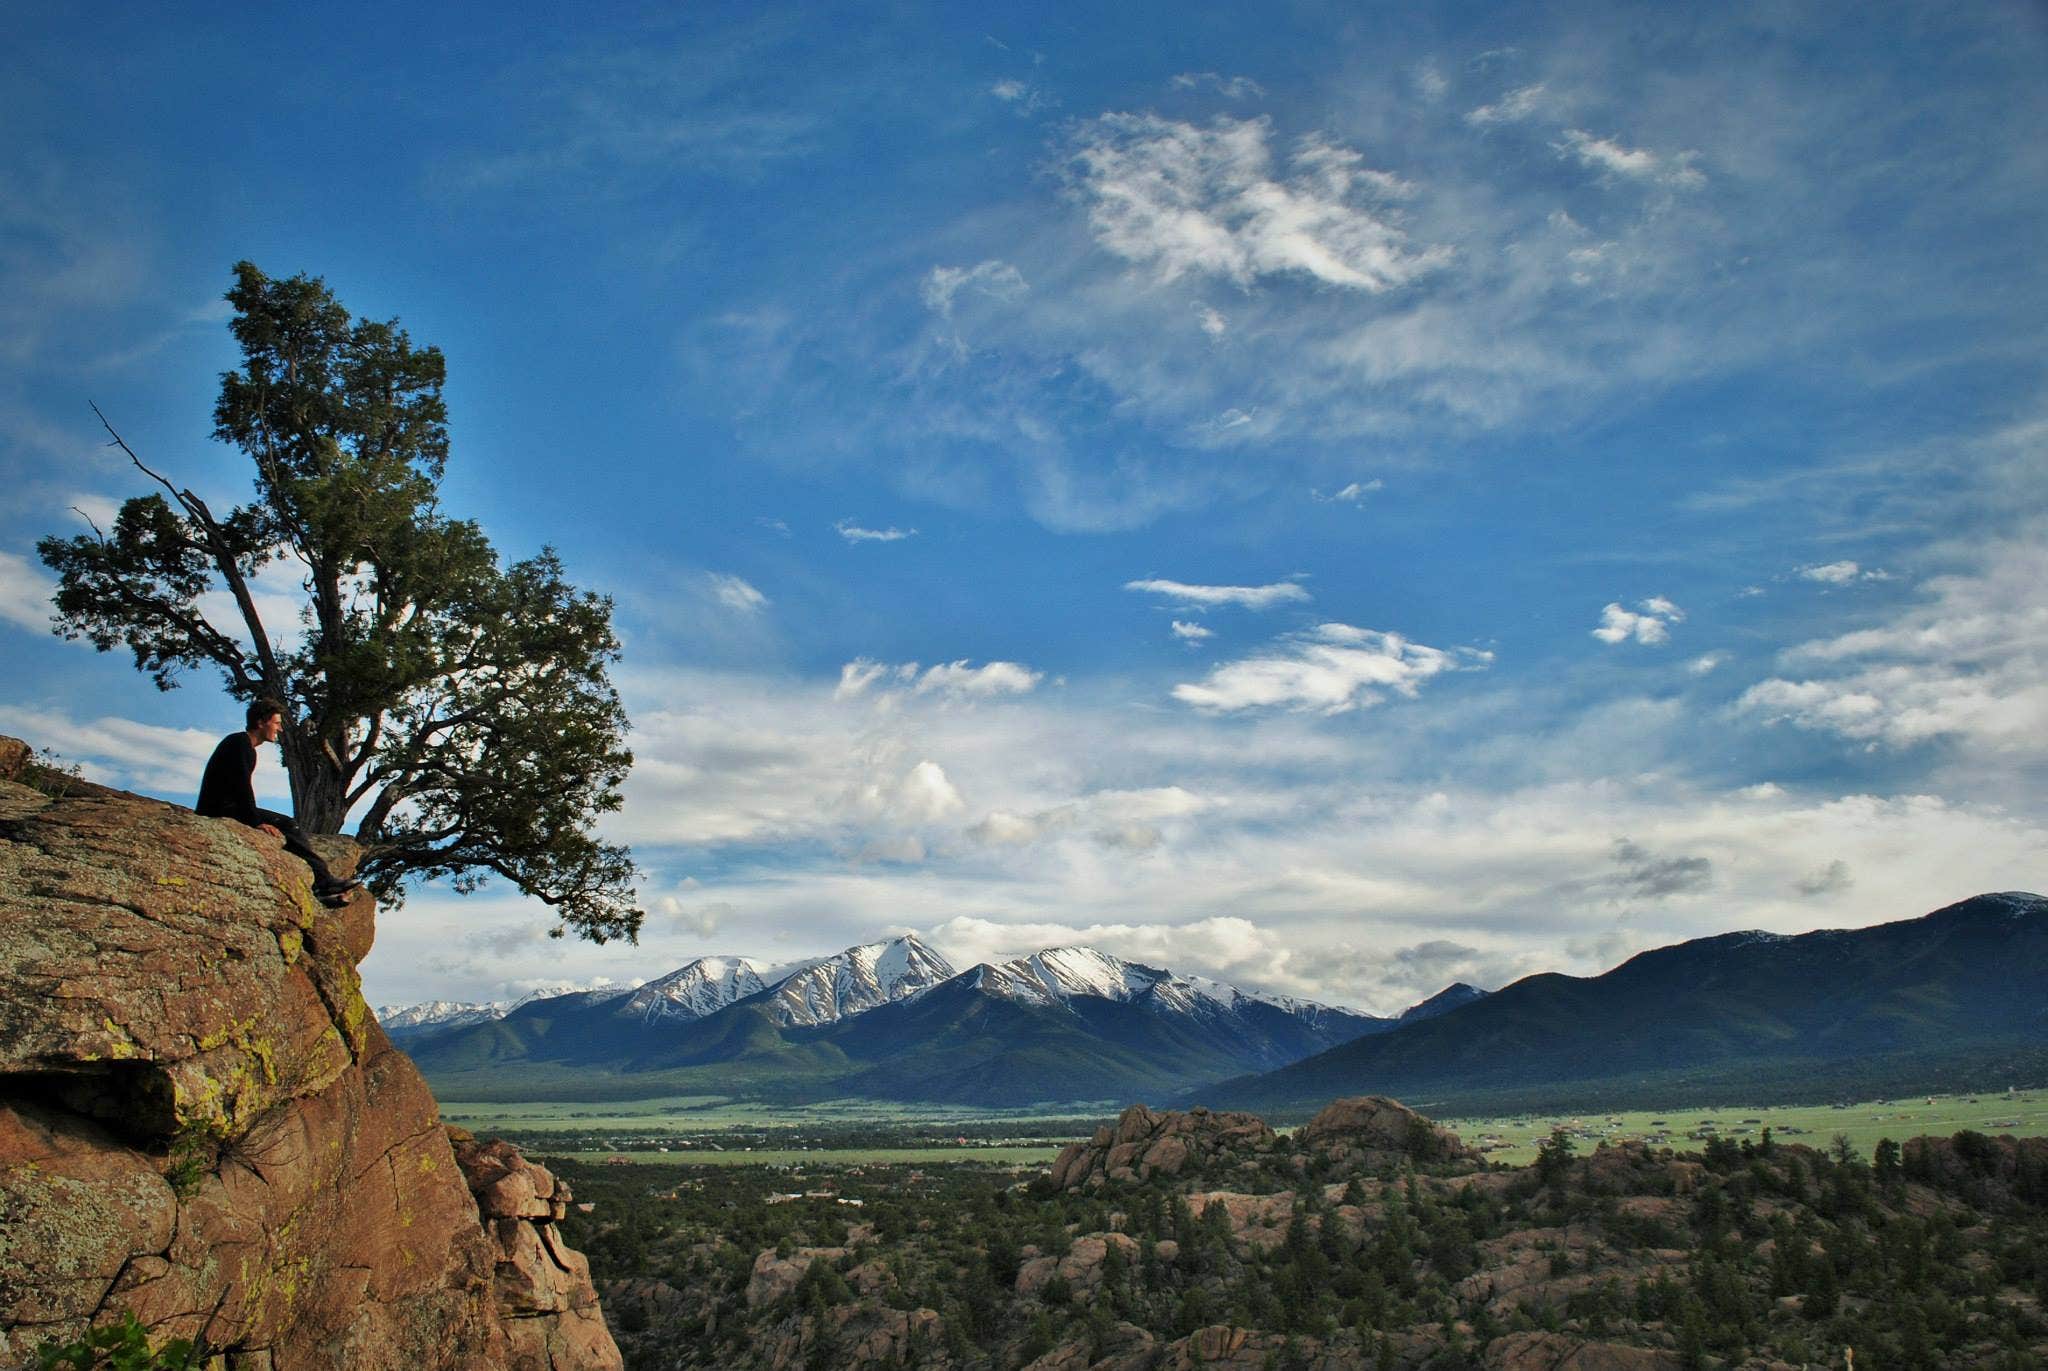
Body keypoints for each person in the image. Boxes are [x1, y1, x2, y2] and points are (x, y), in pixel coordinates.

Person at [196, 698, 361, 908]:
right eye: (276, 723)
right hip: (220, 809)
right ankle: (324, 882)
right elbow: (241, 786)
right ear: (260, 722)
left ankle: (320, 887)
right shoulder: (239, 743)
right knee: (288, 824)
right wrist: (255, 821)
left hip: (226, 806)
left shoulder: (244, 745)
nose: (280, 729)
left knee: (287, 826)